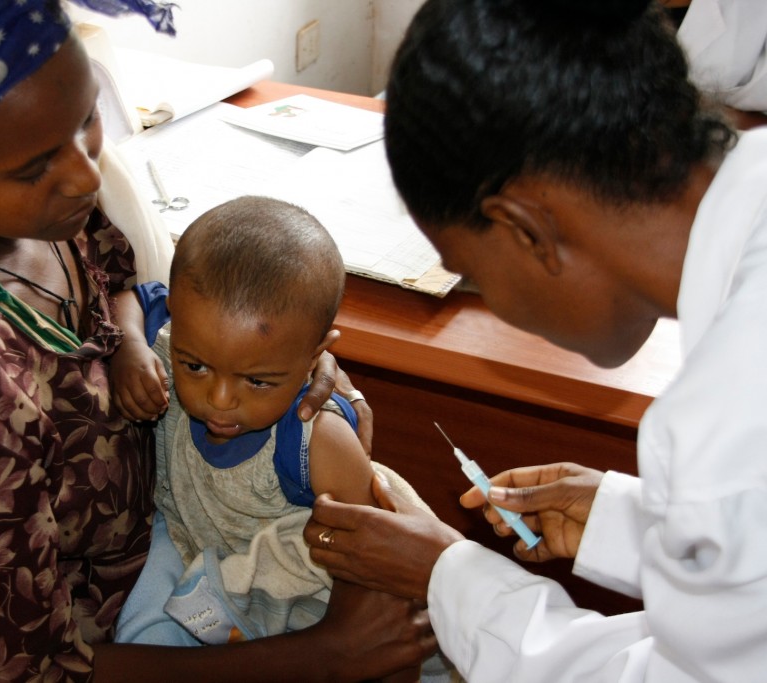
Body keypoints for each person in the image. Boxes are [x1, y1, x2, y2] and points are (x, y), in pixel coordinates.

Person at [0, 2, 434, 681]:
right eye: (34, 164)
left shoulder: (34, 207)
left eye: (87, 117)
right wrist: (319, 656)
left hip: (184, 532)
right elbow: (27, 673)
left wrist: (288, 369)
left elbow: (129, 283)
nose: (88, 175)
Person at [303, 0, 767, 681]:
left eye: (473, 274)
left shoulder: (724, 425)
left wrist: (450, 575)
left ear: (524, 229)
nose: (493, 305)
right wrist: (627, 521)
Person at [108, 196, 446, 681]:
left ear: (317, 356)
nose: (219, 399)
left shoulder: (317, 441)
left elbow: (370, 554)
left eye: (258, 381)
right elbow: (134, 300)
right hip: (186, 534)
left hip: (303, 569)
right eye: (194, 366)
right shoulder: (178, 333)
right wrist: (132, 347)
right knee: (143, 636)